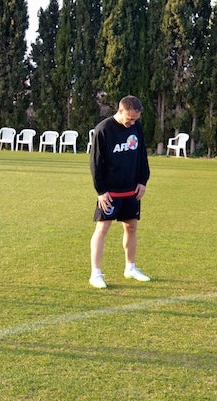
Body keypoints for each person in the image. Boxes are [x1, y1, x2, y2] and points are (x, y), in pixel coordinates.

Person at [89, 95, 151, 289]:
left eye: (135, 120)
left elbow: (142, 155)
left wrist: (142, 180)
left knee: (131, 227)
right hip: (110, 192)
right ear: (120, 110)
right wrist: (101, 191)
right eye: (129, 118)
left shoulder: (136, 127)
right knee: (102, 229)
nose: (132, 122)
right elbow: (95, 163)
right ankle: (96, 273)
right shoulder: (103, 130)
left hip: (131, 189)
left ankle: (130, 268)